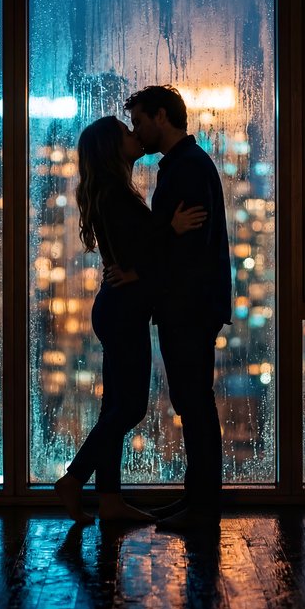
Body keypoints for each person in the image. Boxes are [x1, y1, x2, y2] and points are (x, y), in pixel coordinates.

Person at [54, 116, 207, 525]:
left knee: (115, 408)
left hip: (119, 308)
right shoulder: (115, 194)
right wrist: (172, 229)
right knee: (132, 408)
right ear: (111, 147)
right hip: (123, 311)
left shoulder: (111, 191)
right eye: (126, 131)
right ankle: (73, 478)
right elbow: (137, 250)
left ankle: (109, 499)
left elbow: (133, 254)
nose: (134, 134)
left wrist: (139, 267)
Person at [116, 85, 232, 531]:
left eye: (140, 122)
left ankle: (202, 508)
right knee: (192, 401)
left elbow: (188, 249)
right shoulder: (186, 164)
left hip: (188, 306)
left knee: (195, 403)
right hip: (190, 305)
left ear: (161, 117)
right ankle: (195, 499)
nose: (137, 132)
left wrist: (140, 271)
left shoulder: (186, 168)